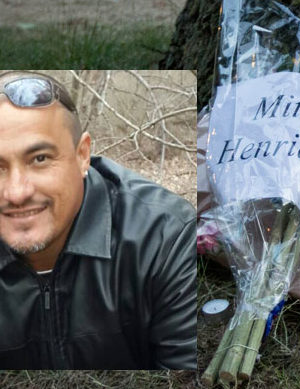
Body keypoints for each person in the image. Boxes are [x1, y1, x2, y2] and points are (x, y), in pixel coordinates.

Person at [0, 71, 196, 369]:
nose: (16, 192)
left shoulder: (163, 237)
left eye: (40, 159)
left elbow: (184, 387)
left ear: (82, 156)